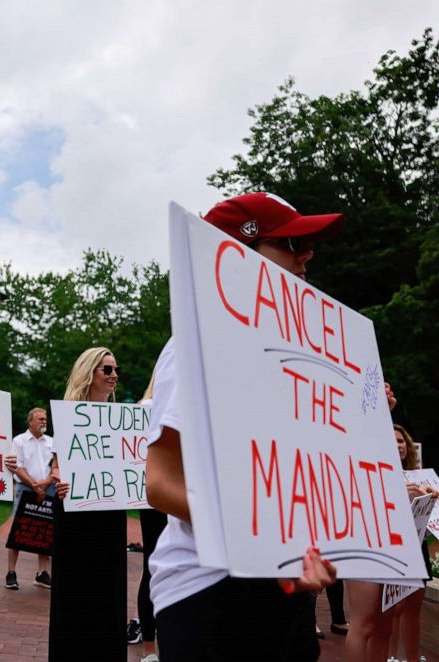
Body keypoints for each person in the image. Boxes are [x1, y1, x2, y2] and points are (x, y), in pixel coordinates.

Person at [145, 192, 340, 662]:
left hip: (280, 583)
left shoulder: (294, 360)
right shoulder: (197, 343)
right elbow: (161, 482)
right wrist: (270, 539)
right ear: (238, 253)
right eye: (291, 242)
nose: (306, 254)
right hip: (209, 591)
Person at [49, 348, 128, 661]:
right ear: (89, 373)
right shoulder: (70, 415)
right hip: (76, 513)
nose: (113, 375)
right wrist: (59, 479)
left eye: (115, 369)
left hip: (110, 513)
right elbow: (56, 467)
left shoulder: (122, 418)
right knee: (75, 591)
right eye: (106, 369)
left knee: (109, 591)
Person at [128, 377, 166, 662]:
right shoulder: (149, 406)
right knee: (153, 565)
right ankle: (150, 648)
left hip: (167, 493)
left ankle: (155, 646)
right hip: (156, 496)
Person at [387, 424, 432, 662]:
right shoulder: (380, 475)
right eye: (393, 441)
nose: (399, 446)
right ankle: (391, 657)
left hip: (418, 544)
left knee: (414, 607)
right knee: (394, 608)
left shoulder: (421, 477)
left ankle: (413, 658)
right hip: (395, 546)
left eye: (402, 441)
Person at [6, 407, 54, 591]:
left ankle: (42, 573)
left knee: (44, 531)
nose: (44, 422)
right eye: (40, 419)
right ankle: (11, 572)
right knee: (18, 529)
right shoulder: (19, 441)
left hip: (47, 490)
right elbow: (16, 466)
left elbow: (56, 466)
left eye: (45, 419)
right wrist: (34, 485)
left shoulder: (51, 442)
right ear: (30, 421)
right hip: (26, 488)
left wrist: (45, 484)